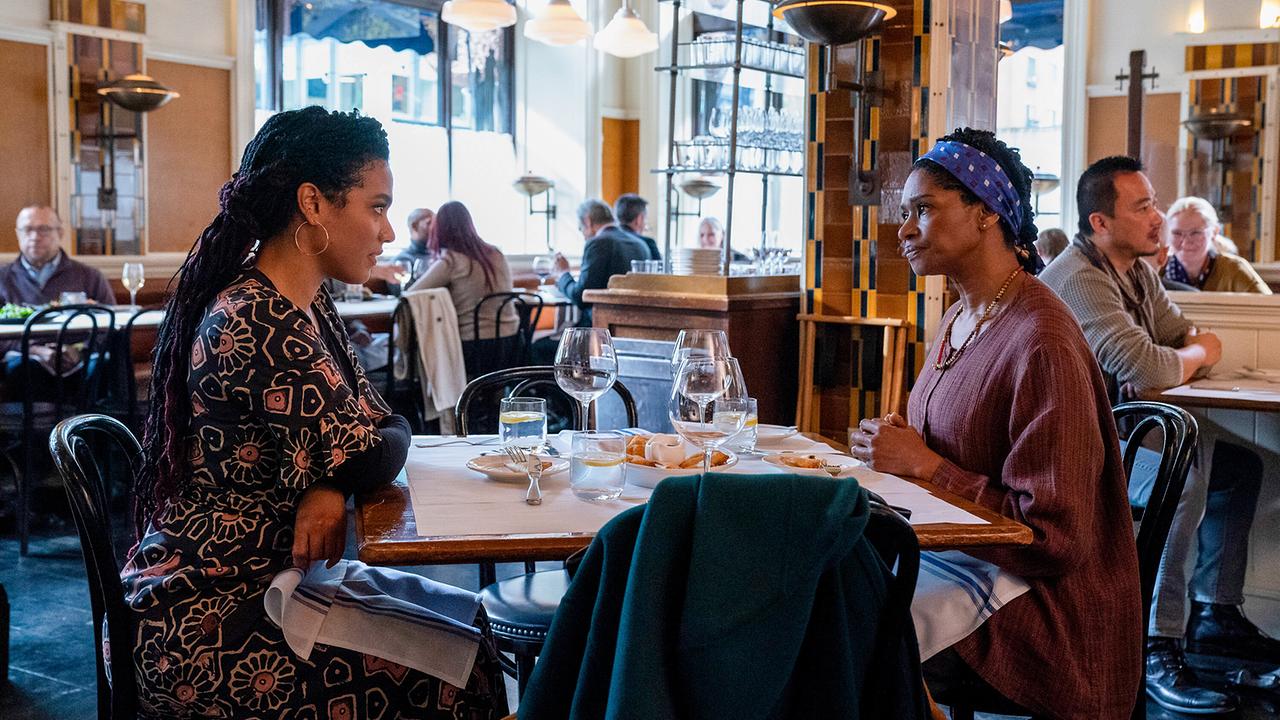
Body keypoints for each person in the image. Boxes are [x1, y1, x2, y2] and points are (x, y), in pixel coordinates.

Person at [122, 107, 507, 719]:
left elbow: (388, 426)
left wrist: (330, 480)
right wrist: (338, 473)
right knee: (463, 669)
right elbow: (374, 449)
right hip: (211, 618)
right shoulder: (259, 317)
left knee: (473, 626)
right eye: (376, 207)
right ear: (314, 204)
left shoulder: (303, 303)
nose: (386, 232)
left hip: (271, 582)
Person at [849, 129, 1141, 719]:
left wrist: (924, 465)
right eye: (905, 214)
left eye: (923, 210)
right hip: (967, 566)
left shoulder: (1042, 341)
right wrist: (895, 449)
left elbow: (1055, 537)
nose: (904, 230)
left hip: (1049, 616)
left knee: (842, 629)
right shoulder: (960, 316)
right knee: (827, 590)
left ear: (985, 213)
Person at [1040, 156, 1278, 715]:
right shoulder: (1078, 278)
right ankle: (1155, 645)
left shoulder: (1136, 270)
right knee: (1184, 477)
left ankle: (1215, 615)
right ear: (1100, 222)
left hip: (1121, 429)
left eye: (1154, 202)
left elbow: (1171, 336)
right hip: (1068, 448)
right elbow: (1149, 366)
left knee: (1241, 468)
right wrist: (1198, 352)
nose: (1156, 217)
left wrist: (1188, 349)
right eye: (1142, 206)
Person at [406, 200, 516, 342]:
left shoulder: (451, 260)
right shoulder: (496, 253)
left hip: (474, 345)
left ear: (439, 229)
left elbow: (410, 296)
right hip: (513, 340)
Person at [551, 199, 649, 327]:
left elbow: (581, 297)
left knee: (537, 346)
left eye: (581, 229)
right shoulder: (641, 244)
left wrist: (563, 274)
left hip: (602, 328)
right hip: (635, 326)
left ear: (588, 221)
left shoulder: (597, 243)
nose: (584, 236)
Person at [1, 205, 115, 306]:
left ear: (60, 233)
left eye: (44, 229)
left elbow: (114, 325)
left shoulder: (90, 277)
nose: (35, 237)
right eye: (27, 229)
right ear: (18, 234)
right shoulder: (3, 278)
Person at [1165, 196, 1270, 293]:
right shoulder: (1159, 270)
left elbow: (1269, 309)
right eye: (1177, 233)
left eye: (1195, 233)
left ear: (1214, 232)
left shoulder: (1234, 270)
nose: (1185, 242)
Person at [614, 193, 660, 260]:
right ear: (639, 219)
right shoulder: (648, 243)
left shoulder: (604, 241)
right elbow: (659, 269)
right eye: (645, 218)